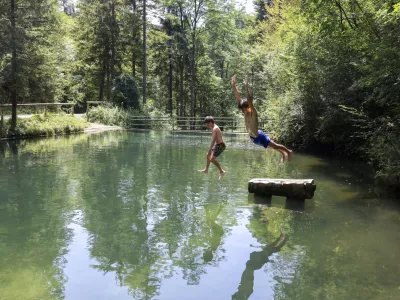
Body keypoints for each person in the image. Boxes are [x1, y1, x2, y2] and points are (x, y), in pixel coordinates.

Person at [232, 74, 293, 162]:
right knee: (271, 146)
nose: (242, 111)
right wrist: (233, 85)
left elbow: (249, 100)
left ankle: (288, 151)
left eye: (243, 109)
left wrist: (246, 86)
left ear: (248, 106)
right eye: (242, 109)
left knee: (274, 145)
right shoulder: (245, 112)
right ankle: (283, 153)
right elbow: (238, 98)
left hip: (259, 137)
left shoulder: (253, 112)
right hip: (253, 138)